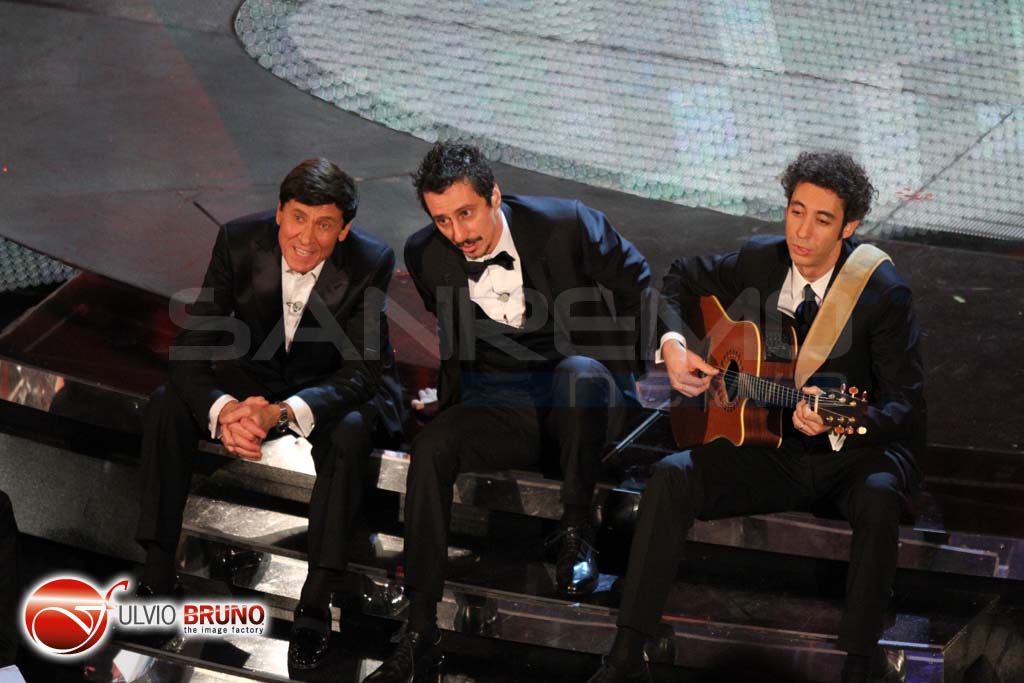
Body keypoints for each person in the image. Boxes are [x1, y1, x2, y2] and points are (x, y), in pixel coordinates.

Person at [589, 151, 925, 683]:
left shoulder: (882, 293)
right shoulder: (759, 262)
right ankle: (626, 652)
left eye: (822, 220)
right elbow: (678, 279)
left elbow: (905, 405)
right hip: (772, 449)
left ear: (850, 227)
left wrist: (841, 418)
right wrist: (674, 344)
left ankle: (861, 663)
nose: (803, 232)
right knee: (672, 476)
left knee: (880, 497)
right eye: (796, 212)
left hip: (852, 454)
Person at [363, 141, 651, 682]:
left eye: (466, 213)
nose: (458, 233)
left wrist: (639, 365)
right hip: (502, 405)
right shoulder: (425, 254)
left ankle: (575, 532)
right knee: (431, 447)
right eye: (442, 220)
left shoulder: (567, 224)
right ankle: (420, 631)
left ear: (494, 196)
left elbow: (638, 281)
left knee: (578, 374)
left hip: (582, 399)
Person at [134, 158, 403, 670]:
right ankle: (158, 571)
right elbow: (191, 348)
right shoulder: (238, 240)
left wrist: (277, 415)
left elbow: (361, 374)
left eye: (324, 224)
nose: (307, 236)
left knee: (350, 433)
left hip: (333, 384)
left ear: (343, 230)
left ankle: (315, 601)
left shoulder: (372, 261)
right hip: (259, 374)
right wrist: (226, 410)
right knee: (168, 402)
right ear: (279, 212)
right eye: (298, 217)